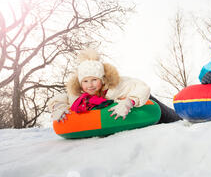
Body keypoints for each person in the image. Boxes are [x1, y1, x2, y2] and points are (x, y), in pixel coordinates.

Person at [48, 48, 181, 123]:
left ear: (102, 78)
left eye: (94, 79)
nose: (90, 85)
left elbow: (142, 87)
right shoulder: (78, 96)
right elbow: (62, 97)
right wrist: (58, 106)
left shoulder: (116, 86)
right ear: (80, 83)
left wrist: (129, 101)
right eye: (85, 81)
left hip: (143, 99)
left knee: (174, 119)